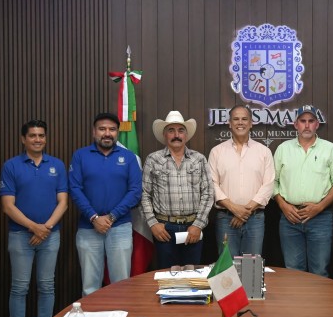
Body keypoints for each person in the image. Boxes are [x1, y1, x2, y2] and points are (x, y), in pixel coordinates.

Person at [0, 120, 68, 317]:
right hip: (20, 235)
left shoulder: (57, 165)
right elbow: (8, 206)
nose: (37, 139)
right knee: (20, 287)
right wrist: (34, 227)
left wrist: (45, 228)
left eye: (41, 135)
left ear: (45, 138)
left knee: (47, 286)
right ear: (23, 139)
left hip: (50, 235)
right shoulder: (11, 166)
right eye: (32, 136)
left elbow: (63, 202)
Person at [69, 112, 142, 296]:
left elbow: (135, 191)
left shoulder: (129, 157)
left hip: (120, 227)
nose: (107, 133)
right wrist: (94, 217)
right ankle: (92, 316)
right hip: (88, 227)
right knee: (90, 286)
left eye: (112, 129)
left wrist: (111, 216)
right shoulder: (80, 156)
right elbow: (75, 189)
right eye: (102, 129)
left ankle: (119, 315)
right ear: (94, 132)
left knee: (121, 284)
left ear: (117, 132)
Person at [273, 104, 333, 277]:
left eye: (311, 121)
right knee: (293, 272)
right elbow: (272, 181)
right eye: (302, 121)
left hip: (320, 218)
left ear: (317, 124)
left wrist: (319, 207)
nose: (307, 125)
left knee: (319, 271)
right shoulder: (283, 149)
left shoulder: (330, 149)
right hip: (290, 218)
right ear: (295, 124)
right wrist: (283, 205)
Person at [141, 111, 214, 268]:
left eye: (181, 131)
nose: (176, 135)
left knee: (192, 274)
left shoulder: (199, 159)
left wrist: (198, 225)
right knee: (167, 276)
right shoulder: (153, 159)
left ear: (186, 135)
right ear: (164, 135)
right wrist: (153, 224)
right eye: (171, 130)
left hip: (193, 227)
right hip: (164, 229)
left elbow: (208, 193)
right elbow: (144, 194)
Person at [208, 104, 275, 258]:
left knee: (251, 266)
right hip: (225, 219)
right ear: (229, 123)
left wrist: (244, 212)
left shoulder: (264, 152)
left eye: (244, 119)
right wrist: (234, 209)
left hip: (255, 219)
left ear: (251, 123)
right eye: (236, 119)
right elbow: (212, 184)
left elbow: (268, 185)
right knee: (227, 267)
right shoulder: (217, 152)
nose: (240, 122)